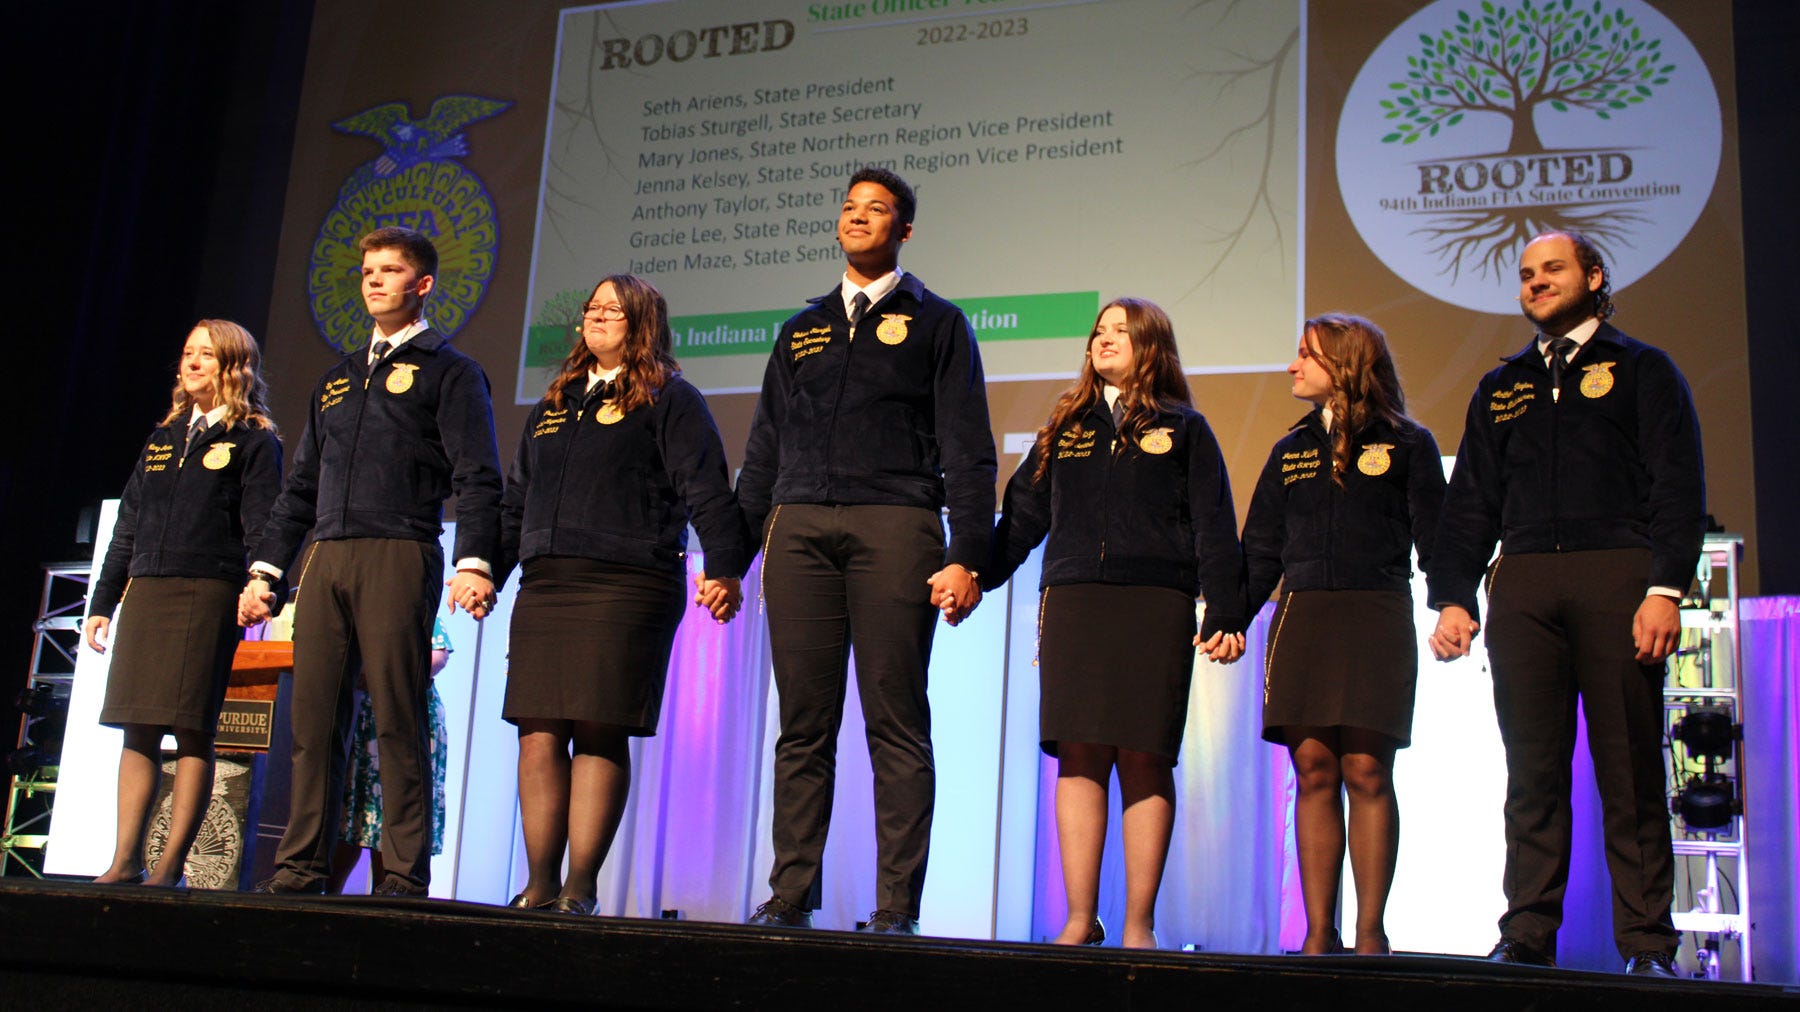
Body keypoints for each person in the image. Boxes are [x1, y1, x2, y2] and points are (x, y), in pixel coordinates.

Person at [1427, 231, 1704, 978]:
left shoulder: (1641, 369)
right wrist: (1454, 596)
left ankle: (1647, 943)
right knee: (1533, 773)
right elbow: (1469, 506)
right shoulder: (1503, 384)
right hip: (1524, 587)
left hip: (1617, 578)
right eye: (1525, 275)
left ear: (1593, 275)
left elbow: (1677, 487)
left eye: (1552, 269)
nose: (1536, 282)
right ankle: (1526, 935)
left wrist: (1664, 589)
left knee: (1629, 768)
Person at [736, 167, 997, 934]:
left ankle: (895, 908)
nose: (857, 218)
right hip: (801, 528)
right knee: (803, 723)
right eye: (849, 207)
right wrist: (729, 558)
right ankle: (790, 896)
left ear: (904, 230)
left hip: (897, 524)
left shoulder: (937, 323)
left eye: (876, 210)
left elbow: (971, 451)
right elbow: (762, 451)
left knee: (895, 719)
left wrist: (967, 556)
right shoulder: (803, 328)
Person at [239, 225, 504, 898]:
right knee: (316, 722)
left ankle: (405, 874)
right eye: (367, 272)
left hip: (400, 550)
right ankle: (300, 868)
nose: (375, 280)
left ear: (423, 285)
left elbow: (478, 475)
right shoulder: (336, 379)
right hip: (325, 558)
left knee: (396, 715)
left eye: (390, 270)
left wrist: (473, 561)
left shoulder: (451, 370)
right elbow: (300, 487)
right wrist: (266, 572)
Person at [983, 297, 1247, 949]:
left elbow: (1215, 524)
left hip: (1155, 602)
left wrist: (1227, 607)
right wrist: (972, 573)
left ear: (1151, 345)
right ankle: (1079, 918)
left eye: (1120, 332)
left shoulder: (1186, 429)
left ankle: (1138, 924)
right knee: (1078, 756)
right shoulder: (1064, 425)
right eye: (1097, 331)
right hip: (1075, 599)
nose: (1103, 340)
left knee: (1146, 757)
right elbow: (1021, 519)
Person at [496, 273, 748, 916]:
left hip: (625, 585)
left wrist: (724, 566)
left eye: (616, 309)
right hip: (547, 585)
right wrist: (482, 569)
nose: (599, 317)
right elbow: (516, 500)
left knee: (599, 732)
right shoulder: (556, 401)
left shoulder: (671, 399)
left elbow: (707, 488)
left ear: (643, 324)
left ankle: (580, 888)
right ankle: (539, 883)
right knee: (538, 733)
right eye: (592, 308)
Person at [1240, 314, 1444, 955]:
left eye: (1306, 355)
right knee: (1313, 767)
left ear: (1347, 363)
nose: (1293, 366)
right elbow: (1260, 550)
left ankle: (1369, 933)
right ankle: (1317, 933)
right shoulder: (1289, 449)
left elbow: (1438, 538)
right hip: (1301, 617)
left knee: (1366, 769)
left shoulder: (1408, 444)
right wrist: (1228, 619)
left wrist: (1453, 604)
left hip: (1375, 614)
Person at [83, 319, 283, 886]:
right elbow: (127, 527)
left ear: (234, 368)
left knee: (191, 727)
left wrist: (258, 586)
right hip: (148, 590)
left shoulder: (252, 440)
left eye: (208, 355)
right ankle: (125, 859)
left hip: (205, 592)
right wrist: (104, 602)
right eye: (188, 352)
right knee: (137, 726)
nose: (193, 363)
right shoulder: (162, 439)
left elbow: (263, 525)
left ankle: (169, 866)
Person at [327, 618, 452, 895]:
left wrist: (385, 675)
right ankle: (326, 899)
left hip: (406, 716)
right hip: (363, 718)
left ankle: (388, 900)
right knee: (351, 814)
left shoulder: (409, 601)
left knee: (393, 812)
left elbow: (437, 656)